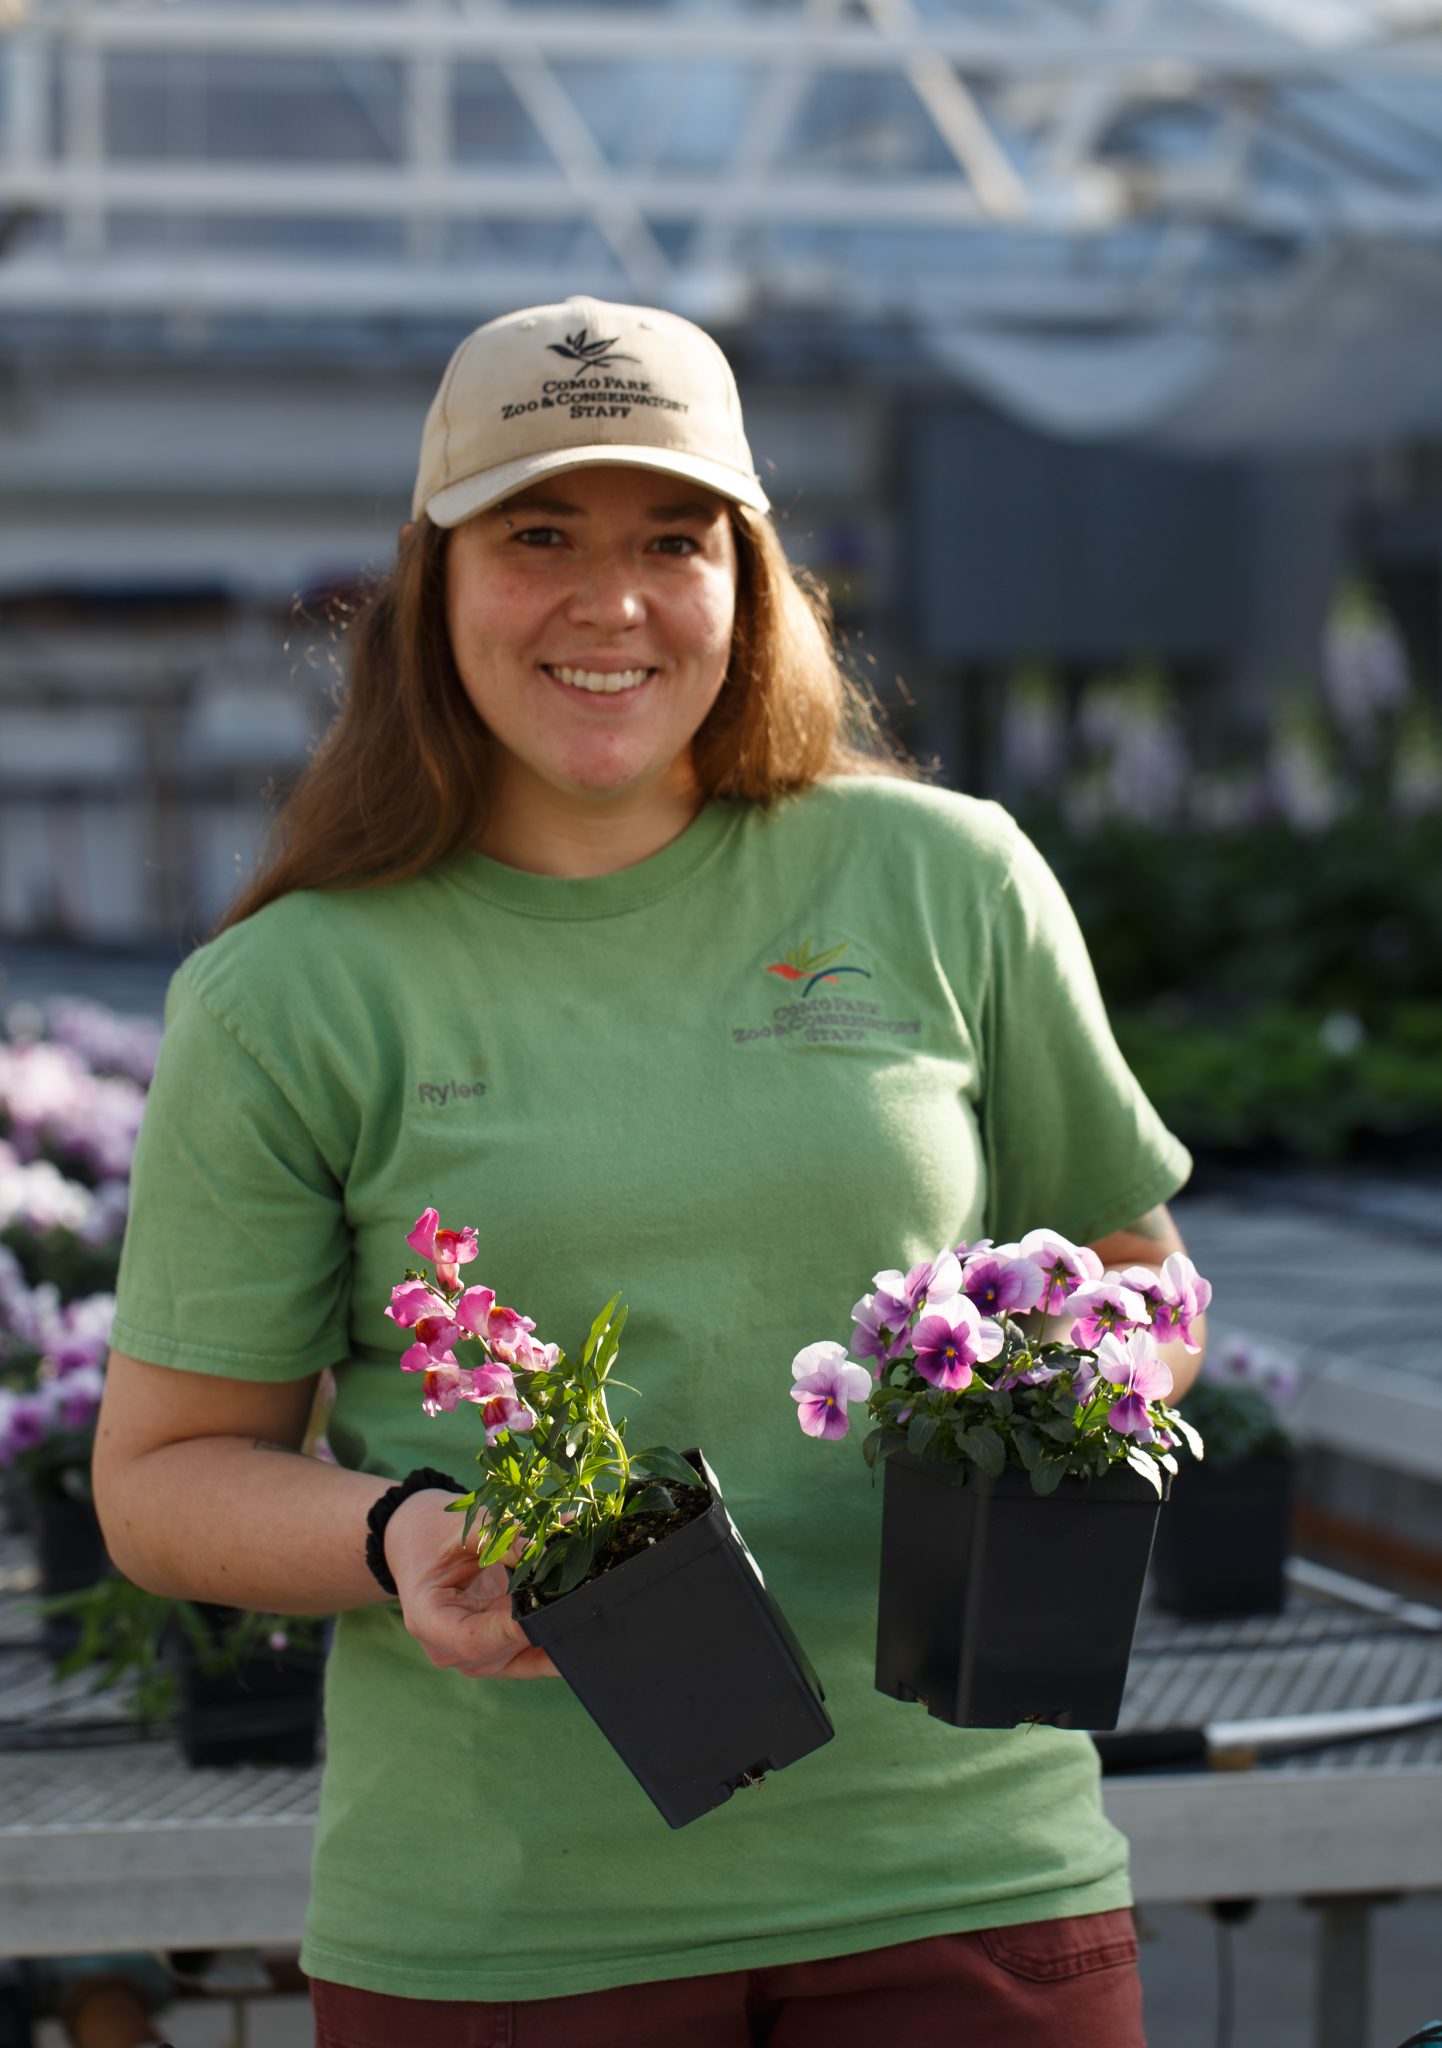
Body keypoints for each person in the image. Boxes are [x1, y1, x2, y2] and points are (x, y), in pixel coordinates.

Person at [94, 296, 1204, 2048]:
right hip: (511, 1932)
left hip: (963, 1891)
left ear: (748, 583)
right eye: (538, 534)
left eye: (671, 540)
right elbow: (161, 1479)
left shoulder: (944, 881)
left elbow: (1133, 1270)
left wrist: (1066, 1374)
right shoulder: (292, 992)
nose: (608, 602)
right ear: (435, 581)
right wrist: (409, 1535)